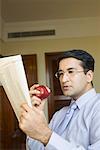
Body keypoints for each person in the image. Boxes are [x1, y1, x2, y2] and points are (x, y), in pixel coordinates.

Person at [19, 49, 100, 150]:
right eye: (61, 74)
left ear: (89, 76)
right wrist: (34, 115)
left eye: (71, 72)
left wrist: (46, 135)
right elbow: (38, 148)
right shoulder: (59, 115)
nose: (63, 79)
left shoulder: (97, 108)